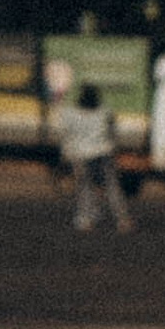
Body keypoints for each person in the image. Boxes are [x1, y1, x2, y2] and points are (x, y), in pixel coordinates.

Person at [56, 80, 131, 231]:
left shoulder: (70, 113)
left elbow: (66, 135)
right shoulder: (105, 112)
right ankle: (122, 219)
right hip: (104, 153)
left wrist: (66, 155)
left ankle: (85, 219)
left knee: (85, 188)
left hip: (81, 155)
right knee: (112, 188)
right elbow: (113, 132)